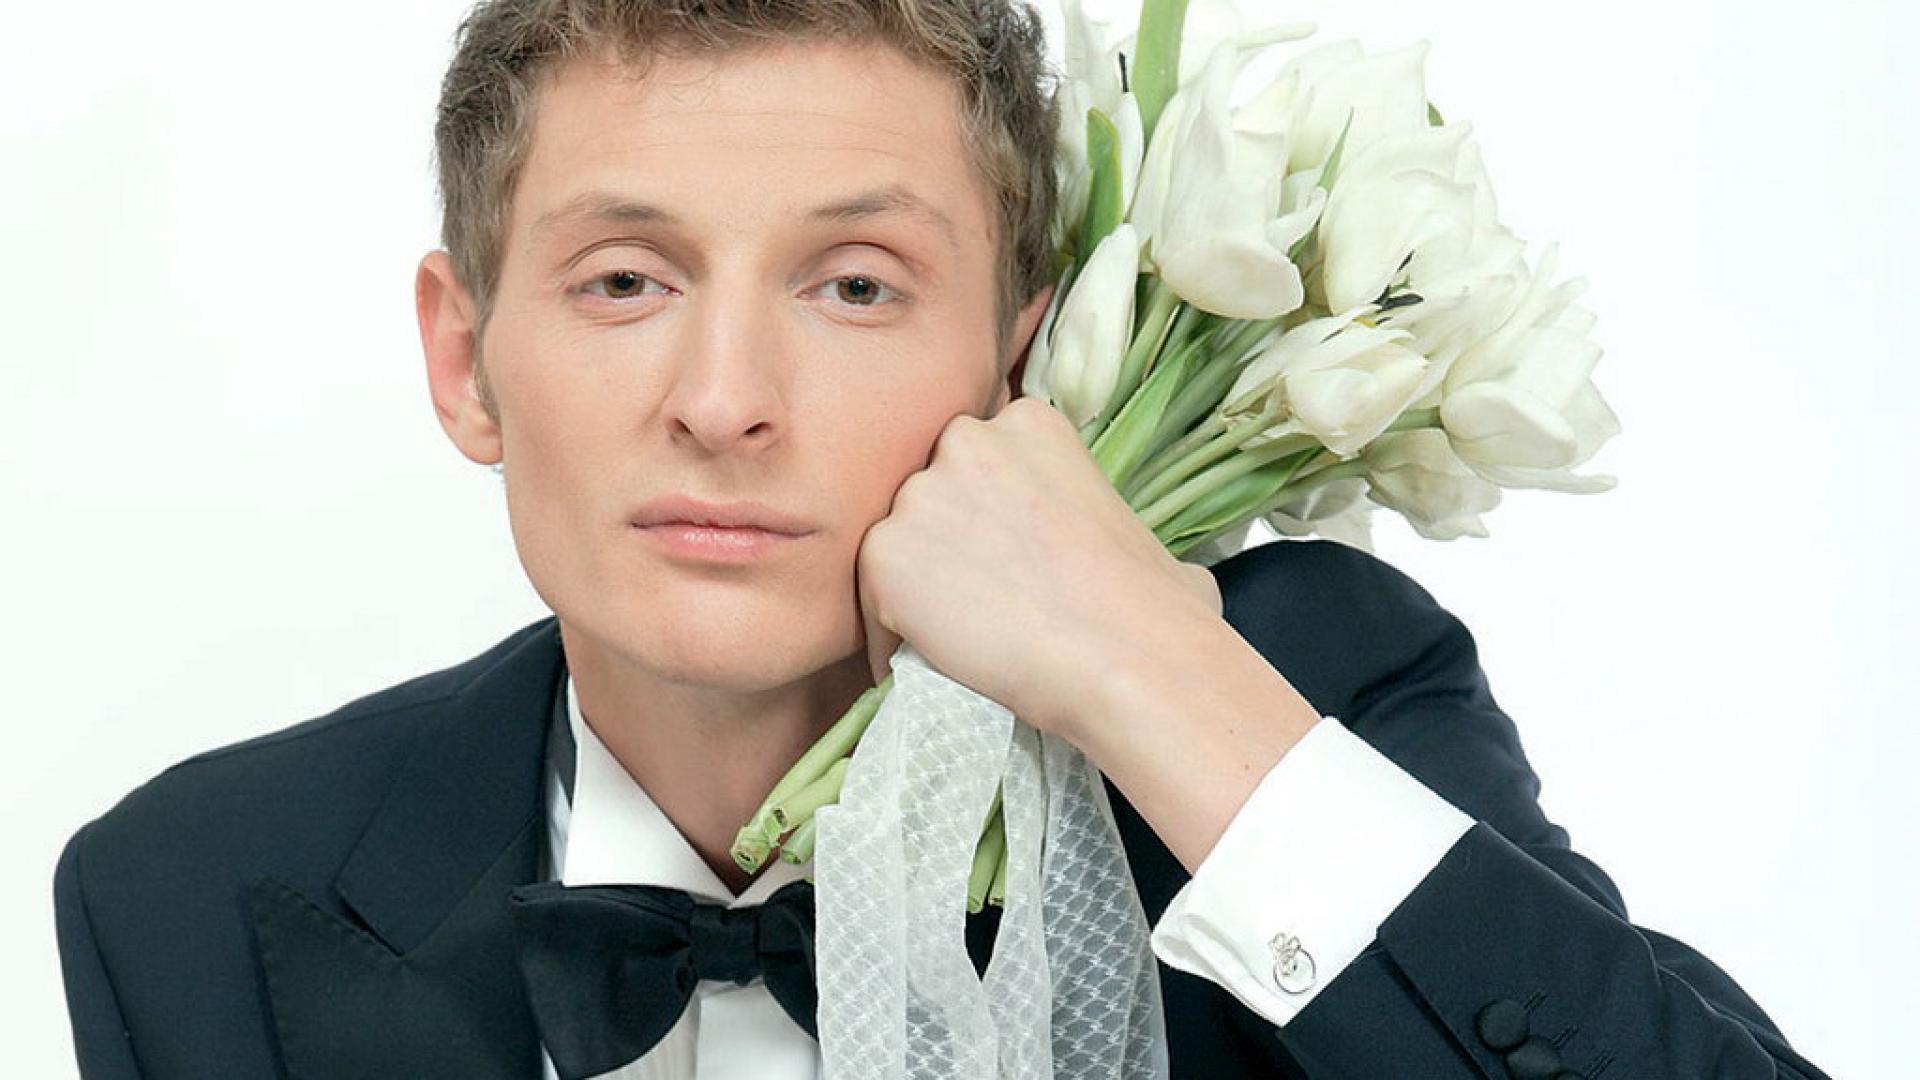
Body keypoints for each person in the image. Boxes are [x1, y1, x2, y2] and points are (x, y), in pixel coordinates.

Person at [53, 1, 1832, 1078]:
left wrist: (1153, 670)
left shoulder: (1297, 696)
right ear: (466, 363)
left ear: (1020, 363)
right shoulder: (181, 894)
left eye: (853, 285)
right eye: (626, 280)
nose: (725, 401)